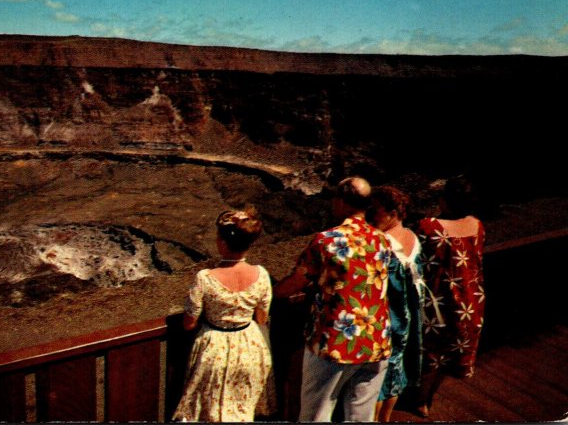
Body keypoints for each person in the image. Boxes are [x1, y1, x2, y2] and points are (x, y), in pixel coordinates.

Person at [274, 176, 393, 422]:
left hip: (335, 343)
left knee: (316, 415)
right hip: (375, 340)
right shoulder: (381, 240)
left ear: (340, 202)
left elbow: (298, 281)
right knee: (360, 416)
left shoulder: (326, 241)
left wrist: (269, 293)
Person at [172, 207, 274, 422]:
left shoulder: (205, 278)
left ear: (223, 243)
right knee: (242, 412)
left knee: (209, 412)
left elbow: (189, 323)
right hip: (250, 348)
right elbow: (262, 318)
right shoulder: (262, 274)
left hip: (214, 349)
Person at [414, 175, 485, 417]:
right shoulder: (477, 225)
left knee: (431, 354)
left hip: (439, 300)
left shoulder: (429, 227)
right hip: (471, 298)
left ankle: (420, 400)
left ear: (444, 200)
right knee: (453, 351)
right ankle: (429, 397)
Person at [368, 186, 425, 422]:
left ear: (392, 213)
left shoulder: (383, 243)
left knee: (375, 381)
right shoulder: (412, 237)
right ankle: (386, 418)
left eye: (376, 211)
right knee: (394, 373)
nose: (371, 215)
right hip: (407, 317)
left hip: (387, 318)